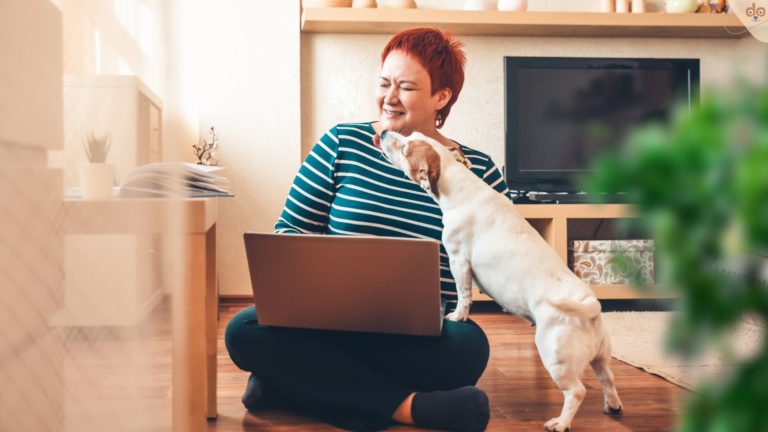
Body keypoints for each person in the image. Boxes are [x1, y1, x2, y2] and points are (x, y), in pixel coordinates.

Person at [225, 28, 512, 432]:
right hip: (327, 322)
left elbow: (501, 267)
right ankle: (409, 408)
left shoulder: (478, 171)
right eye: (384, 83)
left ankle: (288, 383)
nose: (389, 97)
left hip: (420, 334)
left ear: (441, 97)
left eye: (406, 87)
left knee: (469, 348)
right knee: (242, 330)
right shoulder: (341, 143)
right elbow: (291, 231)